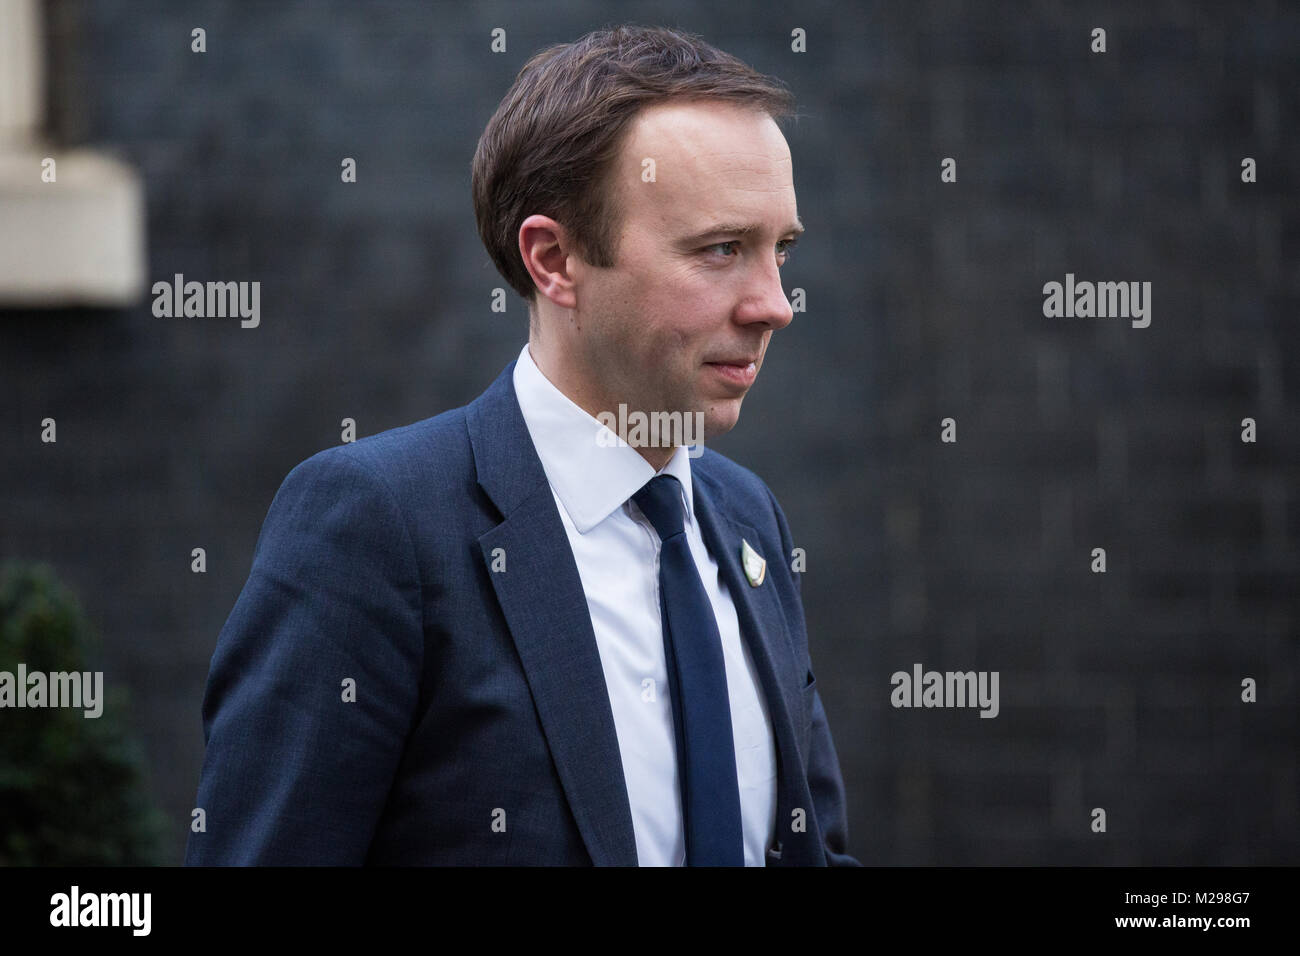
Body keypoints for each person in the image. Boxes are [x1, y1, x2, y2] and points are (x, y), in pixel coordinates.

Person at [185, 23, 858, 866]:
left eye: (780, 250)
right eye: (721, 250)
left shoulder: (748, 521)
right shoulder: (378, 526)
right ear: (554, 258)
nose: (775, 304)